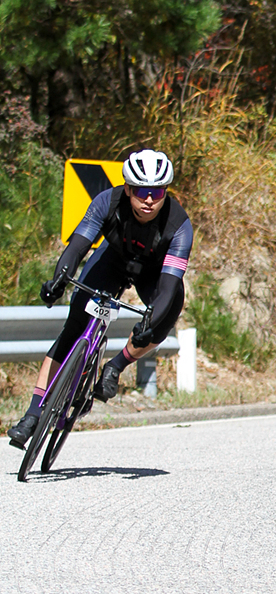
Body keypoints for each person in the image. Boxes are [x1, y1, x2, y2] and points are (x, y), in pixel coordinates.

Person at [7, 149, 192, 448]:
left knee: (166, 315)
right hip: (112, 260)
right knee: (73, 329)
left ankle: (114, 366)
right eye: (141, 191)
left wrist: (150, 322)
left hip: (154, 273)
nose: (149, 199)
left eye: (157, 192)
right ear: (128, 189)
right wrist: (58, 281)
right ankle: (32, 415)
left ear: (165, 192)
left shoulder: (179, 225)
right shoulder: (107, 201)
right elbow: (77, 247)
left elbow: (168, 287)